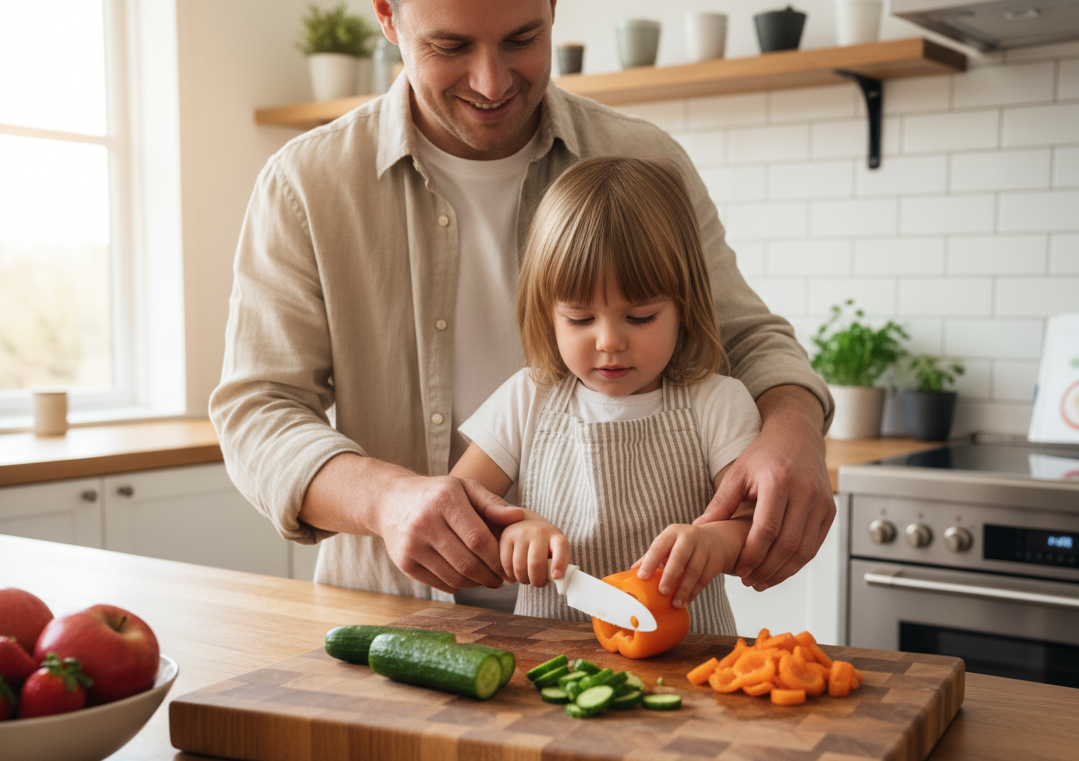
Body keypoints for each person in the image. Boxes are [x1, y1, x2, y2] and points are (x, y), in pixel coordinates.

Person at [209, 0, 835, 606]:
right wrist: (386, 500)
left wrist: (795, 430)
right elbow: (258, 410)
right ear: (387, 15)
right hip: (393, 614)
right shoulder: (307, 183)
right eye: (450, 45)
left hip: (621, 633)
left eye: (522, 39)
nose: (491, 82)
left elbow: (748, 341)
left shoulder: (647, 162)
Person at [452, 156, 758, 634]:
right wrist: (513, 529)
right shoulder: (527, 397)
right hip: (551, 656)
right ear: (547, 313)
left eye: (640, 317)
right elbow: (458, 509)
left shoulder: (718, 403)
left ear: (684, 305)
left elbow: (753, 523)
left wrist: (717, 543)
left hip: (690, 659)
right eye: (580, 319)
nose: (609, 341)